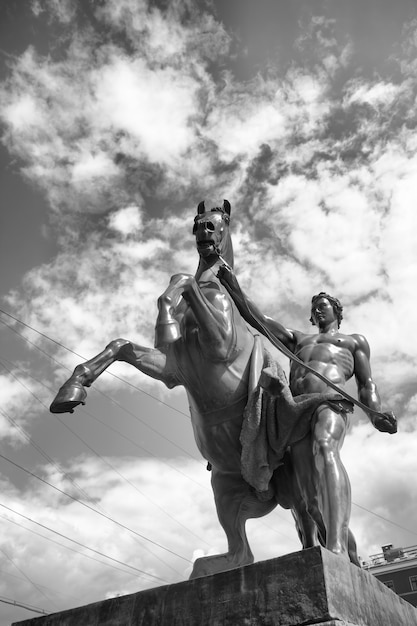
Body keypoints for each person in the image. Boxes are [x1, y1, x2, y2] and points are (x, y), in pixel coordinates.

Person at [218, 266, 397, 560]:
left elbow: (367, 385)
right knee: (308, 499)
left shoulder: (353, 341)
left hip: (331, 401)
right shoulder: (298, 340)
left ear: (336, 311)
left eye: (322, 306)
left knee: (325, 449)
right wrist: (232, 283)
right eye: (314, 309)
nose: (317, 311)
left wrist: (375, 412)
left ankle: (337, 544)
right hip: (296, 409)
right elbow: (258, 319)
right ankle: (336, 547)